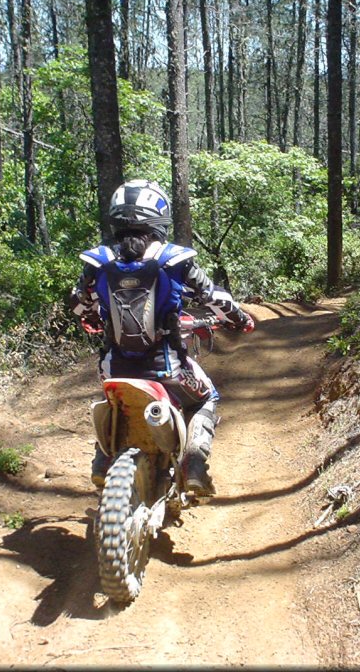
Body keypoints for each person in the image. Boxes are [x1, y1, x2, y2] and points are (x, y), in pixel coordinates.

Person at [69, 179, 254, 496]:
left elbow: (76, 304)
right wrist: (240, 319)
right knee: (206, 397)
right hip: (168, 369)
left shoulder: (98, 261)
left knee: (112, 399)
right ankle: (194, 466)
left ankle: (103, 460)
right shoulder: (174, 259)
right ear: (159, 217)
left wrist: (92, 320)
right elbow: (214, 298)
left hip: (114, 369)